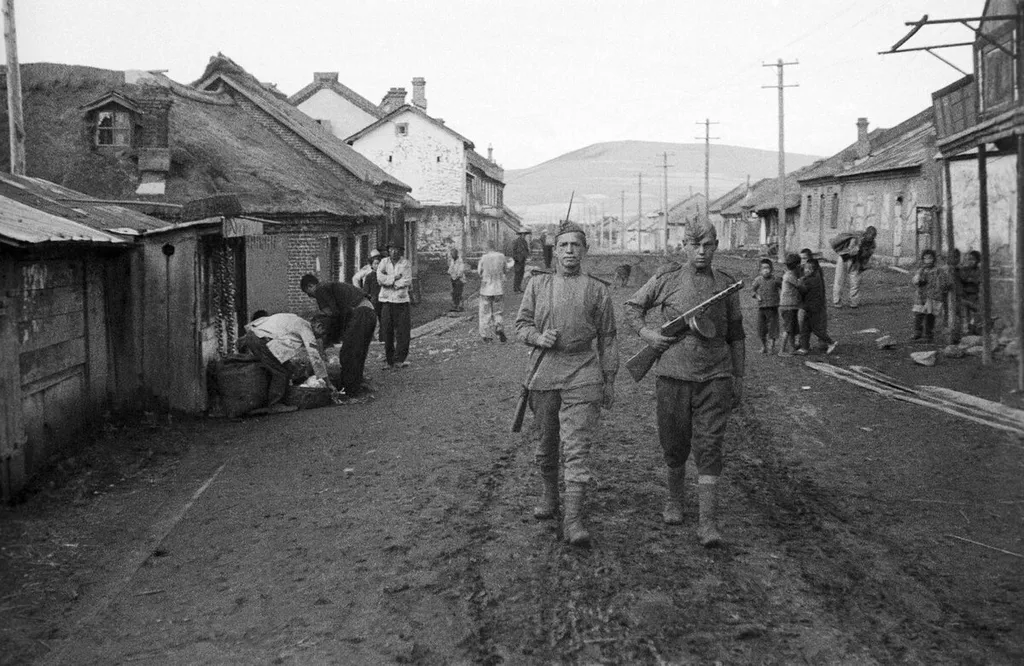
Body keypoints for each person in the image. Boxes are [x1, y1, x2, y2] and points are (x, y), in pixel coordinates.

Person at [623, 220, 744, 547]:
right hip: (673, 376)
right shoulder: (666, 278)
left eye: (708, 245)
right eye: (695, 245)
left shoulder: (727, 284)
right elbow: (633, 307)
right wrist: (648, 334)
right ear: (684, 246)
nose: (702, 252)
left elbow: (736, 335)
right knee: (674, 443)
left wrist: (739, 377)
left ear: (717, 245)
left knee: (710, 446)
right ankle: (674, 500)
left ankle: (708, 522)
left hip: (716, 376)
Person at [515, 221, 618, 547]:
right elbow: (521, 325)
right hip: (544, 373)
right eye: (564, 245)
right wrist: (538, 336)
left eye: (576, 245)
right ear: (555, 251)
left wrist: (609, 379)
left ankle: (574, 520)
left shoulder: (598, 290)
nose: (570, 251)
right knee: (546, 443)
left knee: (577, 449)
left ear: (584, 250)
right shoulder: (537, 286)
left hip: (584, 372)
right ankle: (549, 495)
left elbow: (609, 337)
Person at [299, 274, 377, 397]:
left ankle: (351, 392)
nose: (310, 297)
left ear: (310, 286)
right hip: (369, 312)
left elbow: (332, 313)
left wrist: (325, 339)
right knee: (358, 352)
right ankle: (358, 384)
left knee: (347, 354)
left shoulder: (320, 289)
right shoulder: (332, 287)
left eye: (308, 293)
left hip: (361, 313)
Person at [240, 311, 330, 410]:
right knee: (281, 372)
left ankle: (276, 399)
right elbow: (315, 356)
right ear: (319, 326)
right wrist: (328, 382)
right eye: (323, 333)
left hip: (256, 335)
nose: (321, 337)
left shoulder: (296, 320)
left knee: (283, 368)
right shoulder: (306, 330)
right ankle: (275, 404)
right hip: (260, 339)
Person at [377, 243, 413, 368]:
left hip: (401, 301)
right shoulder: (383, 262)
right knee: (387, 330)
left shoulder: (405, 263)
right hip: (386, 301)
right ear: (388, 251)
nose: (394, 252)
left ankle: (399, 359)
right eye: (392, 249)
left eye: (397, 249)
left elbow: (407, 280)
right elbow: (380, 278)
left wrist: (391, 283)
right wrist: (394, 278)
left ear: (400, 251)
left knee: (403, 331)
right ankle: (389, 359)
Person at [795, 258, 838, 355]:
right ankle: (804, 347)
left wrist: (798, 284)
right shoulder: (814, 278)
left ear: (814, 271)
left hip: (812, 309)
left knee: (815, 329)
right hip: (809, 308)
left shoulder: (810, 281)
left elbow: (803, 290)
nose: (806, 270)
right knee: (805, 328)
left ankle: (830, 342)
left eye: (809, 269)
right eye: (806, 268)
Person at [911, 249, 952, 343]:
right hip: (921, 296)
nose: (927, 260)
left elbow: (945, 282)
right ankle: (917, 332)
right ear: (922, 260)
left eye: (930, 258)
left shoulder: (938, 271)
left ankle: (928, 335)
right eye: (925, 258)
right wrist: (917, 281)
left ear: (933, 259)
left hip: (932, 296)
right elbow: (915, 281)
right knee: (918, 314)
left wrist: (943, 287)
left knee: (930, 315)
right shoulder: (921, 270)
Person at [830, 225, 876, 308]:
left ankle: (854, 303)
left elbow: (867, 256)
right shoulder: (856, 238)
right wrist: (858, 247)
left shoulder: (872, 244)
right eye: (870, 235)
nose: (872, 237)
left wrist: (863, 263)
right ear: (866, 233)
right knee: (839, 280)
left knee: (855, 283)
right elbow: (850, 251)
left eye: (873, 236)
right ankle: (837, 301)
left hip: (856, 262)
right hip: (844, 259)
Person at [476, 241, 511, 342]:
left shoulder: (484, 258)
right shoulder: (501, 256)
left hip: (486, 289)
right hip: (498, 288)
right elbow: (505, 270)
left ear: (487, 247)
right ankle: (499, 326)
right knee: (498, 311)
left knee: (485, 312)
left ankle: (486, 335)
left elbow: (479, 272)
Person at [750, 258, 781, 354]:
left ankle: (771, 347)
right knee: (761, 328)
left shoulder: (775, 279)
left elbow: (784, 288)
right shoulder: (758, 280)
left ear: (771, 269)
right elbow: (752, 290)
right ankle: (764, 346)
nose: (766, 270)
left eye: (768, 268)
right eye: (763, 268)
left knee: (773, 328)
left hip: (773, 307)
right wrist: (756, 295)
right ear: (760, 270)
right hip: (762, 308)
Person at [778, 253, 802, 356]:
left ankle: (792, 348)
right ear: (797, 265)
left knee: (791, 328)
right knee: (788, 329)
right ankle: (782, 351)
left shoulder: (789, 274)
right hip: (788, 306)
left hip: (790, 305)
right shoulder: (789, 276)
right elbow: (799, 285)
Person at [958, 250, 981, 335]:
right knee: (965, 313)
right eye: (968, 259)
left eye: (972, 259)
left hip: (973, 295)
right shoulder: (964, 269)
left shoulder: (978, 270)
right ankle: (966, 330)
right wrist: (968, 279)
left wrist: (969, 280)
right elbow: (963, 278)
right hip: (964, 294)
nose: (970, 261)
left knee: (975, 312)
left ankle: (973, 328)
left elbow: (976, 280)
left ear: (977, 261)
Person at [363, 254, 384, 342]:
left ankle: (385, 336)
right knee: (376, 320)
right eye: (375, 264)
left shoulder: (385, 275)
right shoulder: (369, 276)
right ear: (372, 265)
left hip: (384, 300)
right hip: (374, 301)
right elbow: (366, 290)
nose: (377, 265)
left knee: (384, 318)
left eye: (379, 263)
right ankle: (376, 337)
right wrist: (369, 298)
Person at [448, 247, 467, 311]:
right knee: (454, 293)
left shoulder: (460, 261)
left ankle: (460, 306)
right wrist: (451, 274)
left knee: (458, 293)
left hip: (459, 279)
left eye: (453, 254)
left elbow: (461, 271)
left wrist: (456, 277)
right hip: (453, 279)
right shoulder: (452, 261)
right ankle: (455, 306)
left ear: (456, 254)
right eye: (451, 254)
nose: (452, 255)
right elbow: (450, 269)